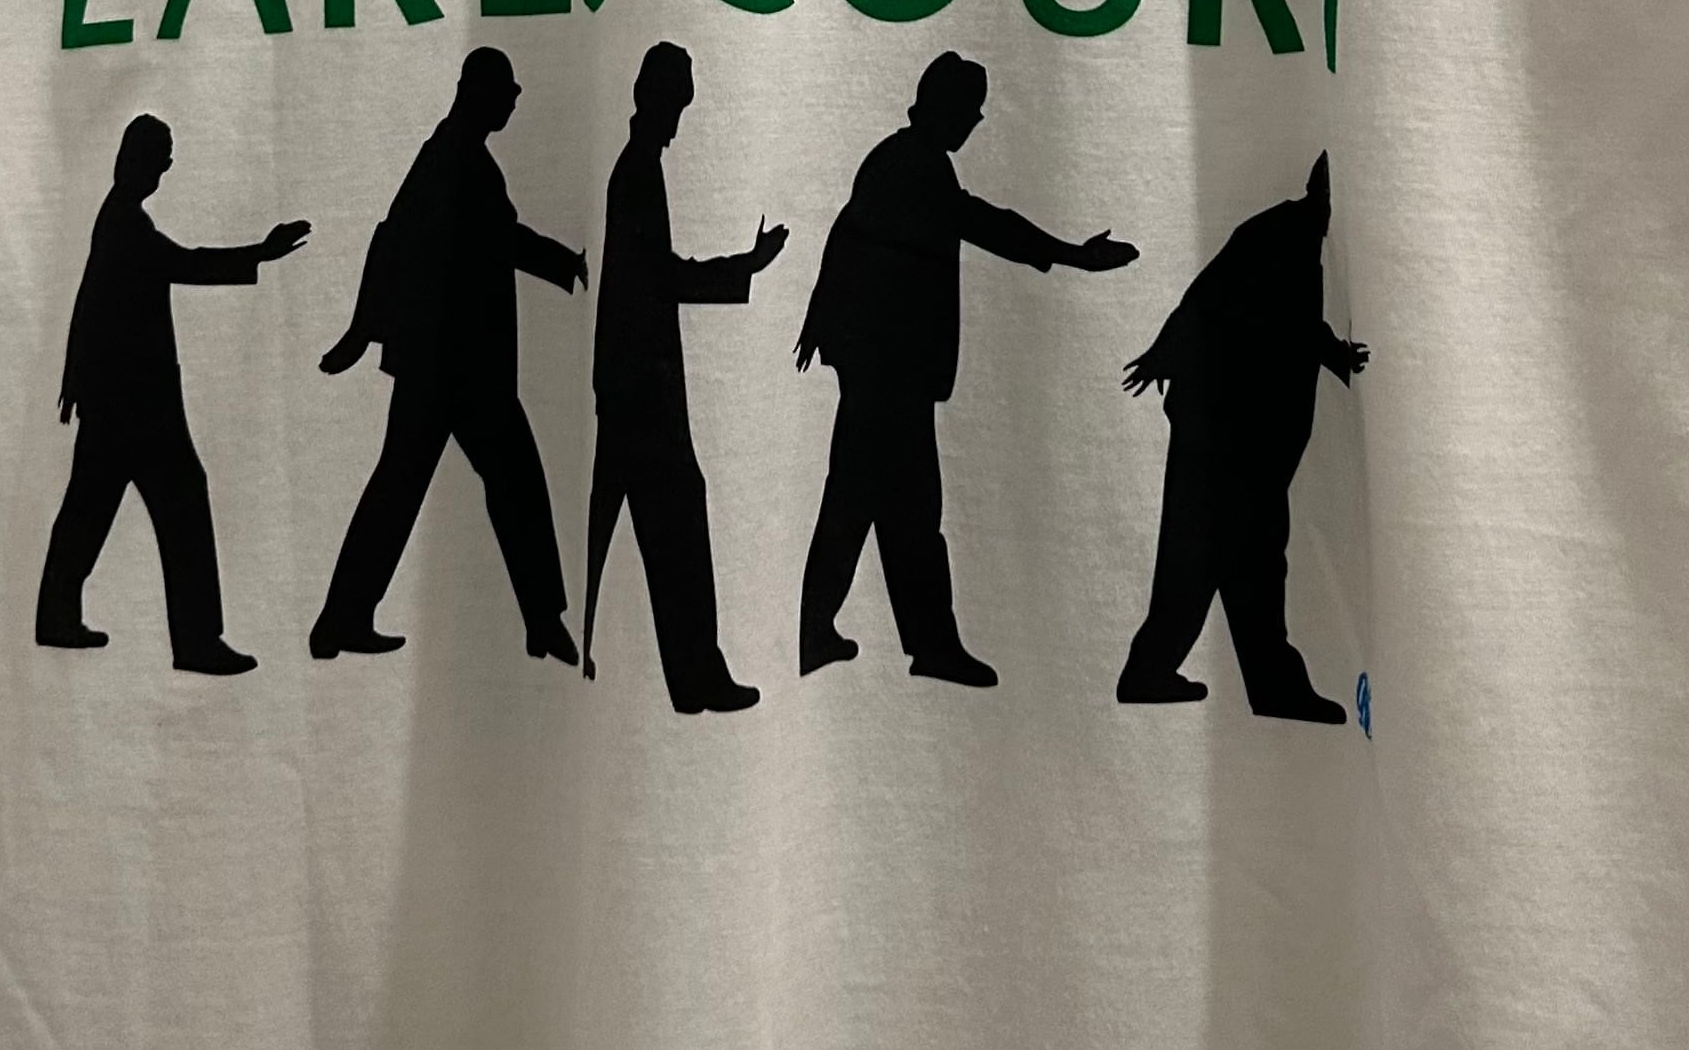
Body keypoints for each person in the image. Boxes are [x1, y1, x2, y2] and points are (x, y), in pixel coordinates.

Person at [794, 53, 1136, 686]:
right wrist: (1073, 256)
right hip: (889, 378)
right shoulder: (916, 166)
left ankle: (849, 635)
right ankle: (914, 643)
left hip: (881, 373)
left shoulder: (900, 159)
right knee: (895, 510)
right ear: (946, 108)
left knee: (874, 506)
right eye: (970, 111)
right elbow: (979, 223)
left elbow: (849, 235)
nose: (976, 123)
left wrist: (823, 320)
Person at [311, 47, 589, 664]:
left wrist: (364, 331)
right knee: (502, 480)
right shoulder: (455, 158)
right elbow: (404, 238)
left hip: (444, 364)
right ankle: (541, 622)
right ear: (478, 91)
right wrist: (361, 331)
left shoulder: (455, 153)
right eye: (506, 89)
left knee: (413, 484)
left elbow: (401, 238)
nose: (514, 99)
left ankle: (342, 620)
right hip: (459, 369)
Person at [34, 114, 306, 674]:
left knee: (90, 507)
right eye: (159, 158)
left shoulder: (117, 218)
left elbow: (89, 300)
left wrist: (74, 378)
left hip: (116, 400)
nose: (163, 169)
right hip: (138, 404)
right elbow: (183, 264)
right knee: (176, 502)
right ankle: (195, 641)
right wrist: (260, 252)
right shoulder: (126, 225)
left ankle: (60, 617)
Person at [1116, 152, 1369, 722]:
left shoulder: (1293, 235)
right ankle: (1219, 680)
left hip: (1237, 433)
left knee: (1238, 560)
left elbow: (1288, 320)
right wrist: (1166, 355)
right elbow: (1210, 299)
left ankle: (1235, 683)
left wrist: (1338, 357)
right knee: (1222, 555)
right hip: (1229, 434)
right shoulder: (1281, 233)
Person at [580, 44, 788, 713]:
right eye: (678, 102)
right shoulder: (638, 171)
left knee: (653, 527)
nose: (680, 117)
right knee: (676, 528)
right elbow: (658, 277)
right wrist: (745, 266)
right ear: (658, 98)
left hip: (631, 383)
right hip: (640, 388)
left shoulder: (638, 167)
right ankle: (694, 676)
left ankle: (686, 677)